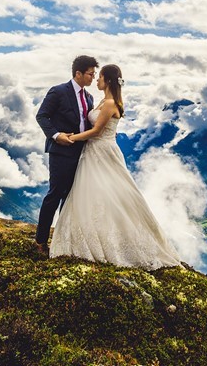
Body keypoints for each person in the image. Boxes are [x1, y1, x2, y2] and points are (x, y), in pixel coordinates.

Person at [49, 64, 181, 270]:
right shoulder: (102, 100)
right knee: (95, 194)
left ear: (108, 81)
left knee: (109, 194)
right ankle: (96, 233)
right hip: (94, 152)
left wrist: (69, 138)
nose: (96, 80)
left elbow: (96, 132)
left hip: (102, 151)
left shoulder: (109, 103)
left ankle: (112, 241)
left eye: (99, 77)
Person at [34, 55, 98, 257]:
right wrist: (55, 135)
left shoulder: (89, 98)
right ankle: (41, 241)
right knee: (54, 194)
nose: (92, 78)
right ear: (78, 73)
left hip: (81, 153)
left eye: (94, 74)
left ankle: (62, 240)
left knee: (70, 198)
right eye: (90, 74)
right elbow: (42, 115)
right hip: (61, 152)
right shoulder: (59, 91)